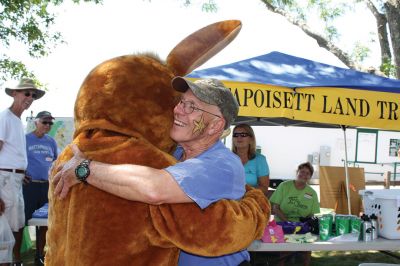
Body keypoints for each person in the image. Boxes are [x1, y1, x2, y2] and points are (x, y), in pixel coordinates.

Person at [54, 77, 259, 265]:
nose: (178, 110)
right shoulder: (173, 153)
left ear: (215, 125)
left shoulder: (221, 164)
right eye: (181, 102)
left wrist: (85, 169)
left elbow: (154, 189)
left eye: (192, 107)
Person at [0, 78, 45, 266]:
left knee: (17, 225)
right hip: (4, 179)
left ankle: (14, 261)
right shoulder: (5, 117)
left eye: (33, 95)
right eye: (26, 93)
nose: (30, 98)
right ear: (14, 94)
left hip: (15, 179)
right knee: (4, 230)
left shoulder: (17, 121)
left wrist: (21, 172)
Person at [23, 111, 58, 265]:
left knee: (44, 222)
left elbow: (56, 162)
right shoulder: (24, 139)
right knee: (22, 222)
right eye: (45, 122)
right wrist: (21, 173)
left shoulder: (51, 141)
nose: (48, 125)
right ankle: (16, 258)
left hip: (46, 187)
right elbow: (18, 158)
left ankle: (40, 255)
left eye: (50, 123)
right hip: (29, 186)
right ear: (36, 122)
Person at [269, 162, 320, 266]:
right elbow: (275, 208)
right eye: (302, 172)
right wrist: (288, 222)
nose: (304, 175)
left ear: (310, 177)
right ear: (297, 172)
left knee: (305, 251)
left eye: (307, 173)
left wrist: (308, 223)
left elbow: (311, 215)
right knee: (284, 253)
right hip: (282, 224)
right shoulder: (284, 186)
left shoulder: (312, 193)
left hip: (301, 226)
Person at [232, 123, 270, 195]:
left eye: (243, 135)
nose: (239, 137)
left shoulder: (260, 160)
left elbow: (264, 189)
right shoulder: (226, 158)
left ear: (251, 139)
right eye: (235, 135)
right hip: (228, 203)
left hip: (251, 203)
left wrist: (244, 190)